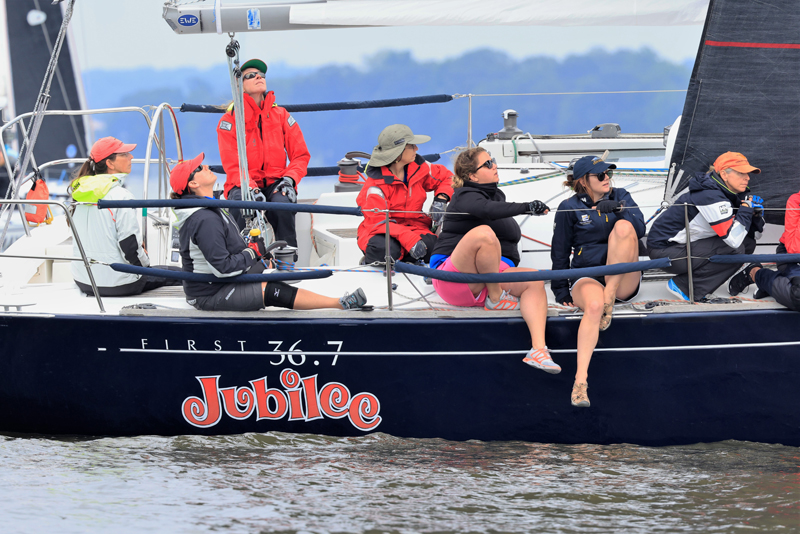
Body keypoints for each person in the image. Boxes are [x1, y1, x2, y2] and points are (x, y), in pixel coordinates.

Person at [170, 153, 367, 312]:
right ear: (193, 185)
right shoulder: (204, 219)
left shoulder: (208, 210)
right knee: (273, 289)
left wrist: (254, 255)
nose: (206, 167)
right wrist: (252, 252)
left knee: (271, 269)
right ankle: (340, 304)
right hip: (211, 293)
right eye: (198, 168)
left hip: (219, 283)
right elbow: (223, 268)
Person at [430, 147, 557, 373]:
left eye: (494, 161)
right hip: (451, 277)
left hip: (486, 279)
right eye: (488, 164)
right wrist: (527, 208)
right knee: (485, 234)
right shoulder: (465, 196)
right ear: (472, 176)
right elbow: (485, 210)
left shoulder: (496, 196)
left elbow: (492, 207)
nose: (495, 165)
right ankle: (496, 297)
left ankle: (538, 350)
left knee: (535, 280)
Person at [551, 155, 645, 408]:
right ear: (583, 181)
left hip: (622, 277)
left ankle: (609, 299)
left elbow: (641, 228)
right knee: (592, 308)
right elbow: (559, 251)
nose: (607, 179)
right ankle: (580, 382)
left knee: (625, 228)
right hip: (588, 274)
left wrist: (619, 209)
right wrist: (561, 292)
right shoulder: (568, 207)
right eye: (601, 175)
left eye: (609, 174)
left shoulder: (621, 195)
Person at [69, 136, 181, 297]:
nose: (131, 157)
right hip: (120, 284)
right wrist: (146, 266)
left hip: (84, 281)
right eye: (125, 154)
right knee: (178, 273)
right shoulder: (121, 196)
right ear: (110, 163)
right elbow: (129, 246)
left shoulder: (79, 195)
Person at [647, 152, 764, 301]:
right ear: (724, 174)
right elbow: (733, 240)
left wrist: (756, 216)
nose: (747, 177)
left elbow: (755, 237)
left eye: (747, 173)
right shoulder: (709, 195)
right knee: (736, 248)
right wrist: (746, 210)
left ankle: (731, 278)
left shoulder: (730, 194)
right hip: (664, 252)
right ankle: (684, 286)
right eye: (741, 173)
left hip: (680, 248)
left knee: (748, 243)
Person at [217, 58, 310, 244]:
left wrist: (289, 180)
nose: (258, 76)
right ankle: (238, 258)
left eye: (261, 75)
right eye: (251, 75)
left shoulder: (281, 115)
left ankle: (288, 261)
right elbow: (233, 166)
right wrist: (250, 188)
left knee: (282, 205)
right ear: (240, 86)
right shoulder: (229, 121)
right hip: (242, 184)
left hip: (276, 182)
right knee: (240, 206)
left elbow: (300, 155)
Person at [357, 124, 454, 264]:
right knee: (384, 251)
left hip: (416, 227)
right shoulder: (374, 185)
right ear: (398, 152)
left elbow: (448, 178)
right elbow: (378, 222)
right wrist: (409, 240)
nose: (417, 149)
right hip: (382, 231)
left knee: (436, 250)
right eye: (412, 145)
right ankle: (399, 257)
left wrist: (442, 198)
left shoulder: (420, 168)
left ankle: (404, 257)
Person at [728, 188, 800, 310]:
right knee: (798, 297)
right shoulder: (796, 200)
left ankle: (777, 285)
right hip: (790, 256)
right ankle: (755, 273)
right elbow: (794, 248)